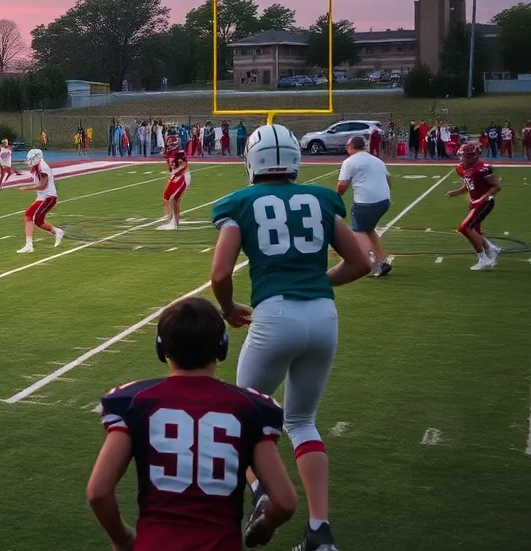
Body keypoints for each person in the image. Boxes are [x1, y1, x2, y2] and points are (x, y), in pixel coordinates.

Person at [209, 124, 371, 551]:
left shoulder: (240, 202)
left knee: (243, 417)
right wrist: (317, 282)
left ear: (252, 161)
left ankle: (262, 490)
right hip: (323, 316)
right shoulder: (321, 199)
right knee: (301, 421)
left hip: (273, 316)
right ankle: (320, 530)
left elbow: (220, 274)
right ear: (295, 160)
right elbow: (360, 263)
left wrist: (227, 309)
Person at [88, 297, 297, 551]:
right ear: (222, 347)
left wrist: (122, 538)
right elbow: (285, 503)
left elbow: (99, 493)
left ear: (161, 349)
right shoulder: (251, 407)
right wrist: (265, 524)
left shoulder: (134, 401)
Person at [337, 135, 392, 276]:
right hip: (384, 200)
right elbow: (388, 179)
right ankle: (382, 260)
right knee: (369, 229)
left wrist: (336, 197)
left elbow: (342, 184)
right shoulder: (376, 160)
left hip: (366, 201)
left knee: (358, 231)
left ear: (351, 147)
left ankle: (375, 263)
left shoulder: (349, 162)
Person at [446, 141, 502, 271]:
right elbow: (468, 186)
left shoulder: (481, 168)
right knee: (474, 231)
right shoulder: (462, 168)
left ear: (473, 156)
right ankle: (491, 249)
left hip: (484, 202)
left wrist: (483, 198)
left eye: (465, 155)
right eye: (461, 155)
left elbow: (497, 186)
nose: (461, 158)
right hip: (475, 202)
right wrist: (455, 192)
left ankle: (484, 258)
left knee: (465, 227)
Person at [18, 149, 63, 253]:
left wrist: (26, 188)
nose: (30, 161)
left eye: (31, 159)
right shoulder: (38, 166)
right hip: (43, 197)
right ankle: (29, 245)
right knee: (31, 216)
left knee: (34, 218)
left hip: (48, 197)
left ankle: (56, 232)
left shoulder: (43, 167)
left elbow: (42, 186)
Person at [157, 134, 189, 231]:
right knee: (171, 198)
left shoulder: (179, 152)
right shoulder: (169, 153)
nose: (169, 147)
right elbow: (170, 167)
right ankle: (173, 220)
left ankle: (174, 222)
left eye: (170, 145)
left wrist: (178, 175)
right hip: (176, 175)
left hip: (182, 175)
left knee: (173, 199)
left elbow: (184, 165)